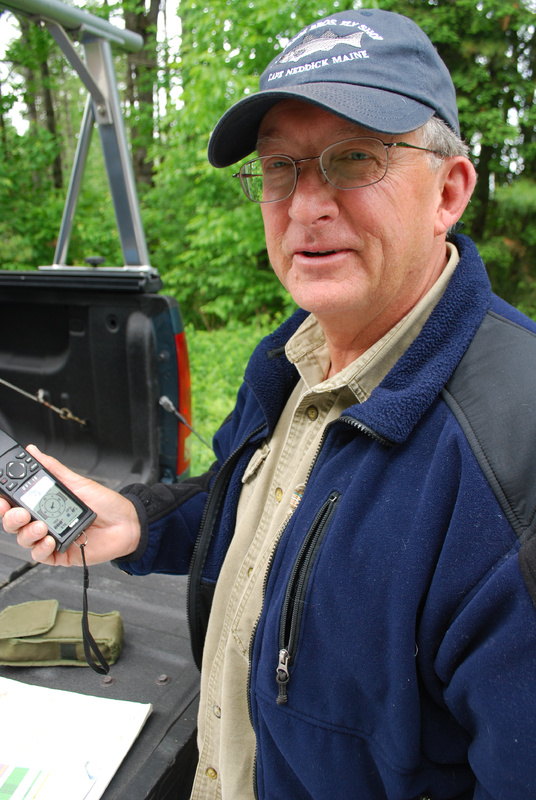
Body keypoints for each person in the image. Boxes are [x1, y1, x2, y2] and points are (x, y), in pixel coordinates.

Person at [3, 8, 536, 798]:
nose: (306, 204)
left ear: (449, 191)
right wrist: (140, 522)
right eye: (280, 168)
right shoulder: (295, 356)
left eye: (354, 159)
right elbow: (258, 504)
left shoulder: (515, 458)